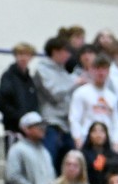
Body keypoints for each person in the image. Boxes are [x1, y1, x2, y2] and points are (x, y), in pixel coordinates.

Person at [34, 36, 83, 165]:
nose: (69, 55)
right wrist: (75, 82)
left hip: (66, 124)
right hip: (51, 123)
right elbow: (54, 94)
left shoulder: (64, 71)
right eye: (66, 51)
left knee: (70, 161)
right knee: (48, 160)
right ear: (55, 51)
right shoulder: (42, 70)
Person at [69, 56, 118, 154]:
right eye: (97, 69)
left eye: (104, 69)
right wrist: (78, 139)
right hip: (86, 141)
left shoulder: (112, 97)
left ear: (108, 72)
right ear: (91, 70)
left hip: (107, 143)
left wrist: (117, 143)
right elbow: (74, 118)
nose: (101, 73)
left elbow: (116, 122)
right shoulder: (81, 93)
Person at [0, 42, 40, 144]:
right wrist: (19, 118)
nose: (23, 58)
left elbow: (34, 103)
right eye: (20, 54)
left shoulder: (29, 80)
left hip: (29, 129)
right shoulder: (8, 77)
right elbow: (1, 102)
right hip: (13, 128)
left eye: (26, 55)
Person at [80, 120, 118, 184]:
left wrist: (105, 162)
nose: (98, 135)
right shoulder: (82, 154)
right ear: (89, 135)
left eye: (102, 131)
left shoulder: (112, 154)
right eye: (94, 131)